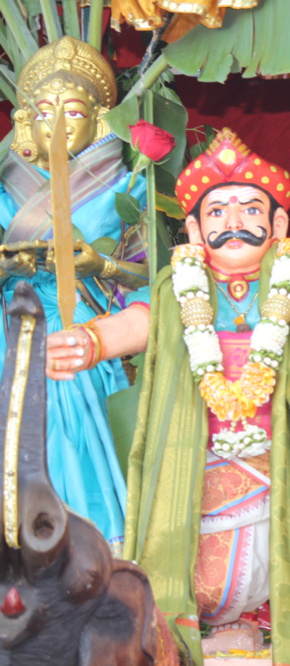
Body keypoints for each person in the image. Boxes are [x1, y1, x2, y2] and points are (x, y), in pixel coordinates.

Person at [46, 129, 290, 665]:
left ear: (278, 224)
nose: (232, 222)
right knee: (201, 575)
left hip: (277, 461)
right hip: (196, 463)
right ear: (193, 228)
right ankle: (196, 634)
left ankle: (263, 627)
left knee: (284, 560)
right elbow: (135, 324)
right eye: (216, 212)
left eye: (248, 209)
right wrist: (90, 342)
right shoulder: (178, 288)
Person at [0, 36, 149, 554]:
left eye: (73, 110)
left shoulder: (130, 189)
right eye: (43, 111)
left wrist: (100, 264)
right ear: (24, 122)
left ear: (100, 120)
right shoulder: (3, 190)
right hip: (12, 332)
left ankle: (90, 553)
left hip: (88, 335)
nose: (57, 122)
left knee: (81, 440)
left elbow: (161, 281)